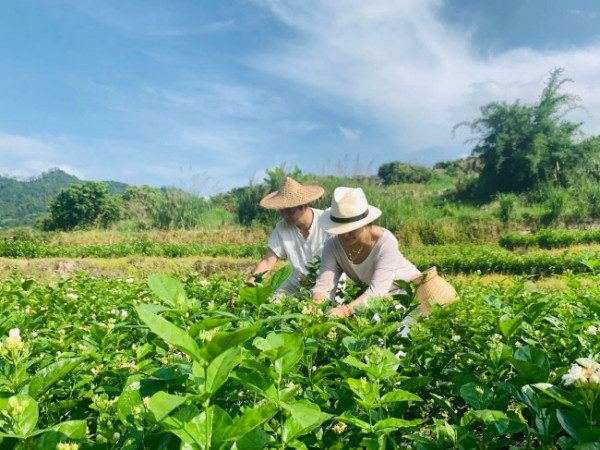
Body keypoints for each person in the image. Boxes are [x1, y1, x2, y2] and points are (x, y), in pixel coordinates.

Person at [312, 186, 421, 317]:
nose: (346, 234)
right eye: (340, 229)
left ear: (364, 223)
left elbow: (377, 292)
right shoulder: (332, 245)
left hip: (409, 293)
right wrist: (316, 304)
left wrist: (344, 311)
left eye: (351, 228)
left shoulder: (385, 242)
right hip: (383, 298)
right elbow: (325, 284)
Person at [248, 177, 331, 297]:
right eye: (282, 211)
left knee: (326, 310)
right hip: (296, 284)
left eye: (290, 211)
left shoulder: (326, 222)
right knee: (273, 302)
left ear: (305, 205)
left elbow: (341, 261)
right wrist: (248, 287)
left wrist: (316, 279)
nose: (285, 216)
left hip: (327, 282)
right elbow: (267, 262)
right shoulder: (282, 227)